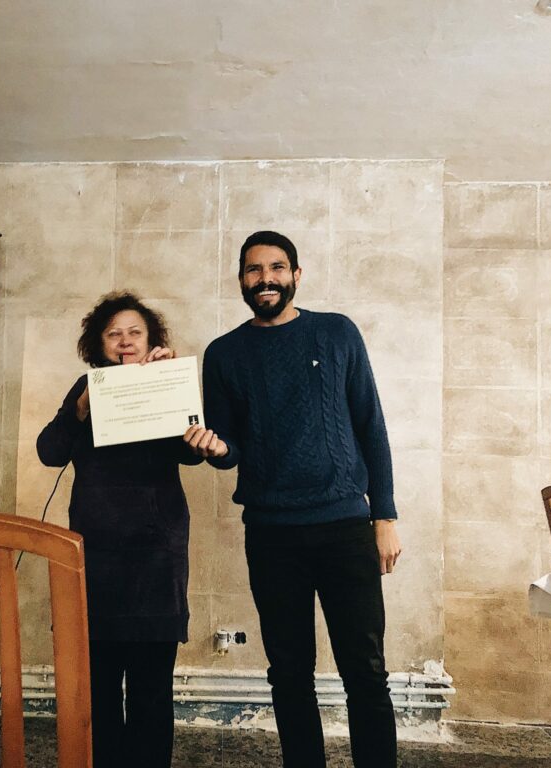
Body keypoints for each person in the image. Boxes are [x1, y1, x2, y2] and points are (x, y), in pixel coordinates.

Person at [184, 230, 402, 768]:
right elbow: (228, 447)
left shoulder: (337, 332)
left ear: (296, 275)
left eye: (277, 268)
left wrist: (385, 515)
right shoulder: (223, 354)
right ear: (241, 280)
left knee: (366, 671)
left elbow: (371, 425)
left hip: (345, 527)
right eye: (254, 270)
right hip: (271, 534)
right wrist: (216, 449)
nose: (266, 279)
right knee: (288, 673)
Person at [37, 291, 201, 768]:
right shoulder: (85, 387)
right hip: (97, 559)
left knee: (152, 691)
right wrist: (83, 404)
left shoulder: (165, 380)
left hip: (157, 558)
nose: (125, 341)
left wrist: (170, 387)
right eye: (114, 334)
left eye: (135, 333)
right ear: (99, 343)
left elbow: (191, 453)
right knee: (99, 688)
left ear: (151, 340)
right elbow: (50, 451)